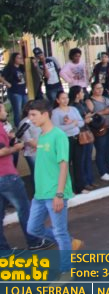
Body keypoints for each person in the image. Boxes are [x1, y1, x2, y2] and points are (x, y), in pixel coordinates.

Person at [27, 99, 84, 281]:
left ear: (45, 114)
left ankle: (66, 271)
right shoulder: (42, 136)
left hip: (55, 193)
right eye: (29, 115)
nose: (31, 118)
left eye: (34, 114)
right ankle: (70, 242)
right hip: (40, 193)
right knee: (33, 228)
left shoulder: (58, 136)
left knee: (60, 232)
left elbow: (64, 165)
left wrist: (59, 194)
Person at [0, 103, 49, 255]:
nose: (5, 112)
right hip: (6, 176)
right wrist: (14, 148)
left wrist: (10, 140)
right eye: (2, 109)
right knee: (24, 209)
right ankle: (34, 241)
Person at [52, 91, 86, 195]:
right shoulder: (55, 112)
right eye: (62, 98)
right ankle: (67, 189)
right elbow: (57, 128)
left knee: (78, 164)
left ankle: (80, 188)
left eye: (66, 98)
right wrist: (73, 124)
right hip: (65, 140)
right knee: (65, 165)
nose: (65, 100)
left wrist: (74, 123)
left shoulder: (73, 109)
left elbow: (81, 122)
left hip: (77, 138)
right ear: (58, 100)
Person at [87, 82, 109, 182]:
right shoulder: (90, 101)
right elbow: (90, 115)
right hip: (99, 129)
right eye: (97, 88)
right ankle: (102, 171)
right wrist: (103, 112)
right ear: (93, 89)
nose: (100, 90)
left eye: (101, 88)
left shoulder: (106, 99)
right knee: (101, 150)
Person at [68, 86, 95, 191]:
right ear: (77, 94)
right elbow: (75, 121)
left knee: (87, 157)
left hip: (86, 131)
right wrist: (85, 119)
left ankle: (89, 180)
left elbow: (88, 112)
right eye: (81, 92)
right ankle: (83, 182)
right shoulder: (72, 106)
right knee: (81, 160)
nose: (83, 94)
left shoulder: (82, 103)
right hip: (79, 133)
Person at [1, 53, 28, 127]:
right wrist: (7, 83)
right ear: (14, 59)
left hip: (23, 91)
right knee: (17, 111)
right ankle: (18, 126)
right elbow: (1, 77)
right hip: (15, 92)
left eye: (21, 57)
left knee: (26, 109)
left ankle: (26, 125)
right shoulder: (9, 68)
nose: (20, 59)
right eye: (18, 58)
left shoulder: (21, 67)